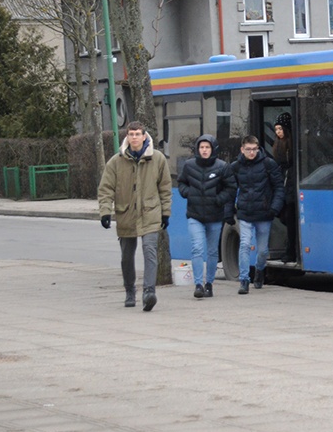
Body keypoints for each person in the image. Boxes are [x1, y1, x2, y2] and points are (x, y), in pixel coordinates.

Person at [98, 120, 172, 311]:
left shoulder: (157, 159)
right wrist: (105, 212)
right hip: (126, 214)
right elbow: (105, 189)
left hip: (150, 213)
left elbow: (165, 188)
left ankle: (149, 292)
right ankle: (130, 290)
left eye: (138, 134)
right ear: (127, 137)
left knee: (150, 251)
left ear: (144, 136)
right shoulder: (116, 161)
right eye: (131, 134)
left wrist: (165, 212)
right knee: (126, 257)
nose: (134, 137)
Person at [177, 134, 235, 299]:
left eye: (207, 147)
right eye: (201, 147)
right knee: (197, 248)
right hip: (194, 214)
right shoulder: (189, 165)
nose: (204, 150)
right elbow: (181, 182)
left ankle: (209, 284)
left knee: (212, 251)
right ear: (197, 149)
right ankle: (198, 285)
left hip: (215, 216)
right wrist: (188, 193)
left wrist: (219, 200)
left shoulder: (222, 167)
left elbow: (231, 188)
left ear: (213, 149)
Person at [225, 135, 285, 294]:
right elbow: (230, 191)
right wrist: (229, 211)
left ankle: (259, 270)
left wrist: (275, 208)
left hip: (264, 213)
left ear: (258, 149)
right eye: (248, 149)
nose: (251, 152)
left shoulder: (268, 164)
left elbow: (279, 187)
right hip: (245, 212)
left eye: (254, 149)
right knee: (244, 245)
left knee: (263, 251)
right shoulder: (235, 167)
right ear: (242, 149)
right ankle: (244, 280)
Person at [272, 113, 297, 263]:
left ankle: (291, 249)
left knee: (290, 217)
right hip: (283, 185)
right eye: (276, 129)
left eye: (280, 129)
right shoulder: (278, 145)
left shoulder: (293, 145)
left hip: (290, 187)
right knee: (284, 216)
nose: (278, 132)